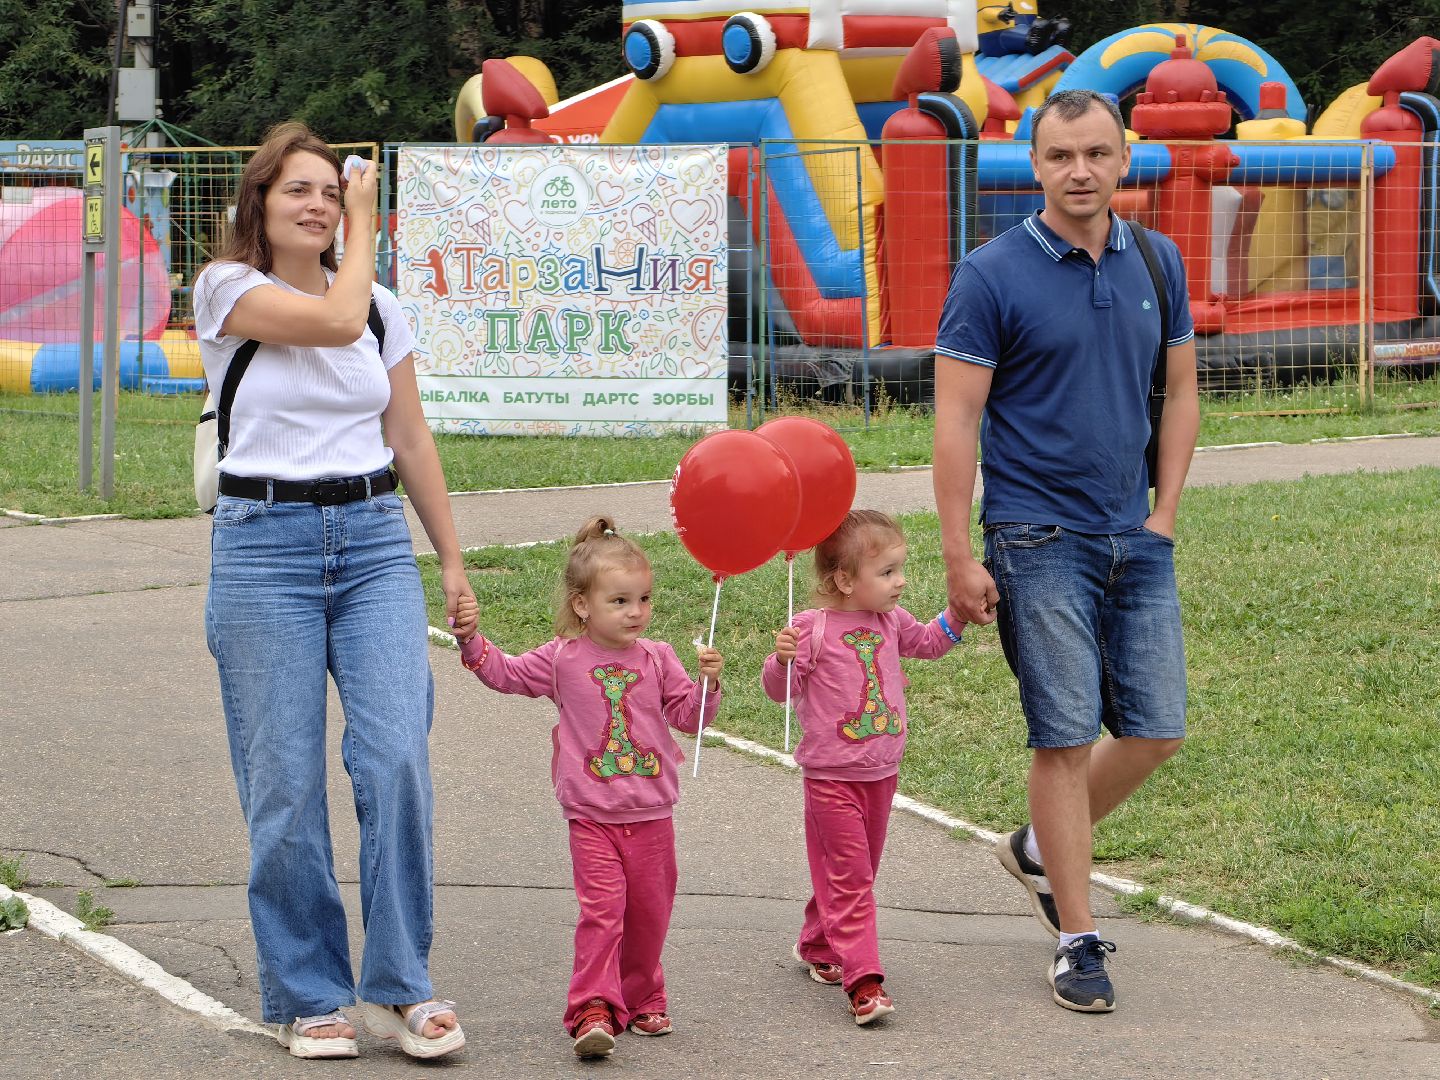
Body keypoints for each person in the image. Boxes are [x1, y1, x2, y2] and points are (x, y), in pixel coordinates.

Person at [196, 121, 474, 1060]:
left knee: (395, 758)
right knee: (283, 780)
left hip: (372, 542)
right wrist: (363, 224)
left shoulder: (383, 308)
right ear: (260, 203)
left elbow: (411, 436)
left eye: (330, 190)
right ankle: (309, 992)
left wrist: (450, 558)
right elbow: (334, 321)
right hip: (262, 544)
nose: (316, 204)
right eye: (297, 190)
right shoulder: (228, 288)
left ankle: (399, 986)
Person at [932, 89, 1200, 1014]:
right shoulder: (990, 274)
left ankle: (1038, 850)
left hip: (1136, 535)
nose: (1079, 171)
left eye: (1095, 153)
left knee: (1158, 729)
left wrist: (1164, 515)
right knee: (1065, 734)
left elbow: (1181, 393)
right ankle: (1077, 940)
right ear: (1034, 164)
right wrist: (959, 554)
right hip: (1034, 535)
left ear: (1123, 157)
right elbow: (957, 421)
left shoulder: (1158, 259)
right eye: (1059, 156)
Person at [451, 517, 723, 1059]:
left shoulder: (659, 657)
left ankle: (642, 995)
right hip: (591, 815)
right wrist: (471, 639)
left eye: (643, 599)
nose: (636, 612)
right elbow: (505, 673)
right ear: (582, 605)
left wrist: (708, 685)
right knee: (603, 911)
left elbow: (688, 718)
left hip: (652, 813)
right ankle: (592, 1007)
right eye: (619, 601)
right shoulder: (562, 658)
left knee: (649, 914)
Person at [762, 510, 964, 1026]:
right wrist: (781, 661)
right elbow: (779, 692)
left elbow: (929, 642)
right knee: (853, 878)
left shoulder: (890, 621)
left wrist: (957, 616)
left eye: (900, 569)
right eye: (888, 572)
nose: (901, 582)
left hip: (881, 773)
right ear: (845, 580)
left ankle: (817, 942)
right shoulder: (811, 628)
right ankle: (864, 981)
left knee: (855, 870)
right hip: (831, 778)